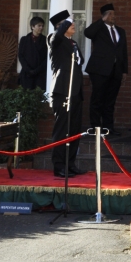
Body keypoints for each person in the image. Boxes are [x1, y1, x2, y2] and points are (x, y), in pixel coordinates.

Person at [48, 10, 86, 177]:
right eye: (69, 24)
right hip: (62, 91)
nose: (74, 25)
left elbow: (80, 61)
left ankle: (70, 163)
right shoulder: (54, 39)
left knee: (74, 130)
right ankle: (59, 165)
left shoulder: (73, 43)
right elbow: (56, 37)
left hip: (76, 91)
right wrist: (65, 22)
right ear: (60, 26)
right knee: (62, 130)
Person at [84, 4, 128, 135]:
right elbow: (87, 33)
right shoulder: (98, 29)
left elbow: (123, 51)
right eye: (110, 14)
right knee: (98, 98)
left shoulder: (120, 31)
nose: (113, 16)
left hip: (116, 70)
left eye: (114, 14)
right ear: (105, 15)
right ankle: (96, 127)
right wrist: (101, 21)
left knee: (110, 100)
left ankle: (108, 127)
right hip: (99, 69)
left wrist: (124, 70)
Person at [18, 16, 47, 91]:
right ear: (32, 26)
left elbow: (47, 58)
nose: (41, 28)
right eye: (39, 26)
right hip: (26, 74)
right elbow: (21, 55)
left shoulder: (45, 40)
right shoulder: (24, 40)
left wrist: (37, 70)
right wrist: (28, 70)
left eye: (42, 26)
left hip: (40, 75)